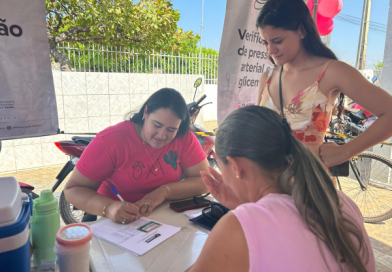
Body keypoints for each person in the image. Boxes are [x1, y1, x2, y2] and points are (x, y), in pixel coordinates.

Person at [187, 106, 375, 272]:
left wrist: (243, 214)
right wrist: (245, 205)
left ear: (236, 167)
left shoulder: (238, 228)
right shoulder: (341, 201)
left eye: (220, 165)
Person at [256, 0, 392, 167]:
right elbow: (256, 131)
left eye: (277, 41)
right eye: (265, 42)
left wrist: (345, 151)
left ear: (301, 30)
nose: (270, 50)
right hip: (265, 186)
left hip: (309, 187)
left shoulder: (332, 72)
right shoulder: (267, 77)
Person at [64, 88, 209, 224]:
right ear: (145, 112)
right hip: (116, 222)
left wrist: (164, 192)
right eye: (157, 125)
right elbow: (72, 190)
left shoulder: (184, 137)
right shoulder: (112, 140)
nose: (162, 135)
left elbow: (205, 182)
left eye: (171, 129)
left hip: (166, 221)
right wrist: (109, 207)